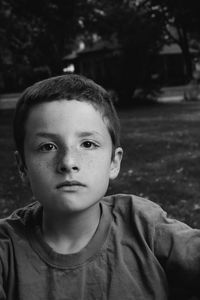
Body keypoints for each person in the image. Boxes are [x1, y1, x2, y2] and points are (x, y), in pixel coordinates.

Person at [0, 74, 200, 300]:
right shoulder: (7, 251)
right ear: (22, 166)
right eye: (47, 146)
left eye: (87, 144)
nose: (68, 162)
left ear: (114, 162)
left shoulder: (143, 226)